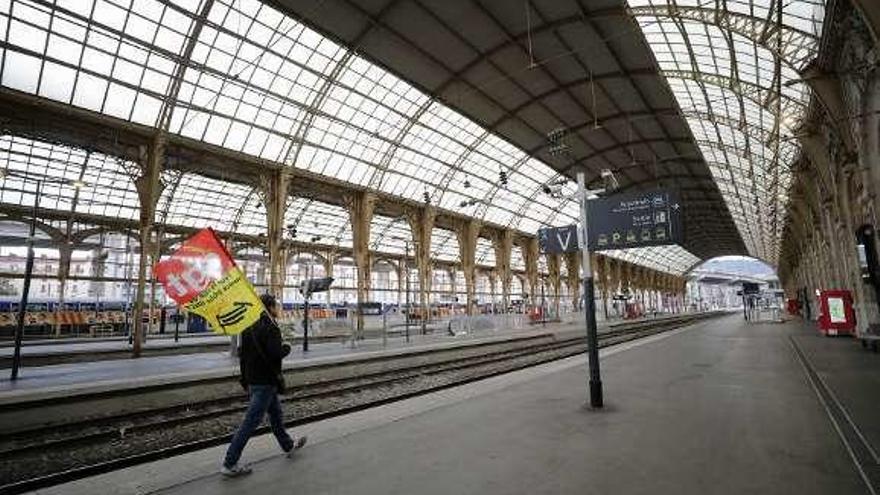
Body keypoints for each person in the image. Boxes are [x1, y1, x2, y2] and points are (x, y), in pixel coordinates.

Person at [221, 293, 307, 477]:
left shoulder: (247, 325)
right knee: (250, 423)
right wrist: (287, 347)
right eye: (276, 305)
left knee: (276, 416)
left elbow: (242, 356)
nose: (278, 309)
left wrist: (245, 379)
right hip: (265, 382)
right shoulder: (271, 327)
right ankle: (230, 463)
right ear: (270, 307)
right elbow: (275, 353)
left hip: (254, 380)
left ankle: (288, 445)